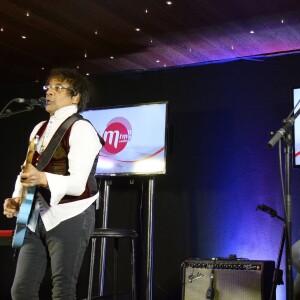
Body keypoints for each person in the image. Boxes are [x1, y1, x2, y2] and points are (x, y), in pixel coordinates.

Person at [3, 68, 102, 300]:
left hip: (71, 214)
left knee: (63, 290)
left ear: (75, 96)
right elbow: (27, 169)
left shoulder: (82, 129)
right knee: (21, 291)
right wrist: (17, 198)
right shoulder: (39, 128)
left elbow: (78, 184)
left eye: (58, 88)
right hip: (36, 214)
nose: (49, 93)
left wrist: (42, 178)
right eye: (48, 87)